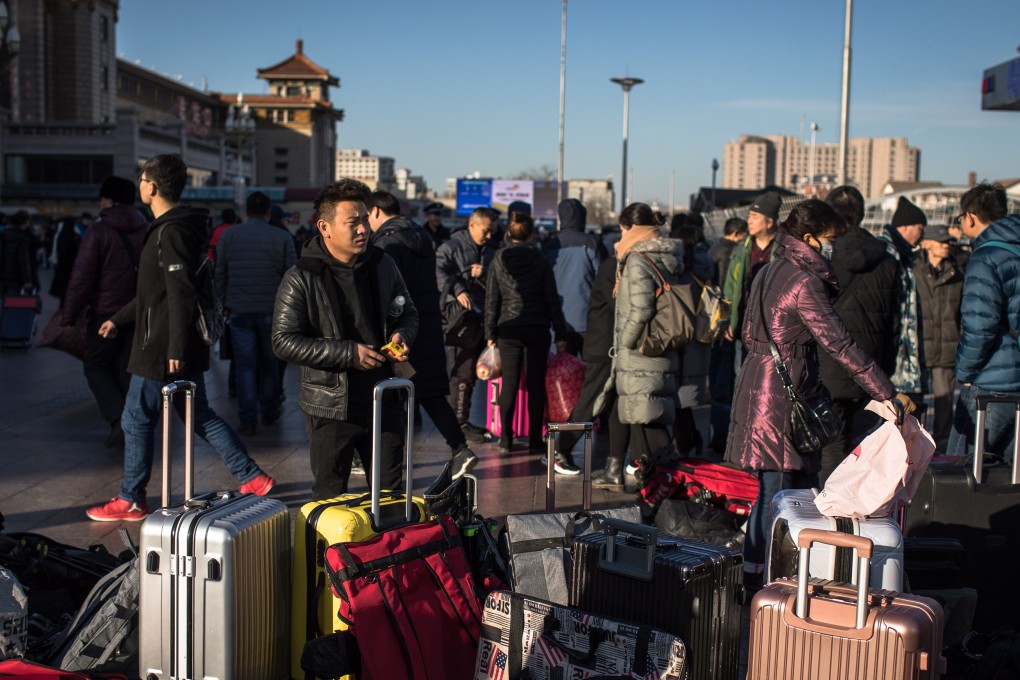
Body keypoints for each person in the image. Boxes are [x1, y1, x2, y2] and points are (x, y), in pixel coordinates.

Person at [86, 154, 274, 522]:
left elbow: (180, 291)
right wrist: (119, 320)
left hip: (160, 346)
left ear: (152, 186)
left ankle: (131, 498)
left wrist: (173, 347)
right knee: (198, 413)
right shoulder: (174, 227)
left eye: (141, 179)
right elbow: (154, 293)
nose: (139, 184)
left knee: (136, 417)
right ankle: (252, 476)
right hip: (171, 341)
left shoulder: (170, 231)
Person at [725, 199, 900, 589]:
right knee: (782, 493)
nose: (833, 247)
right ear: (809, 239)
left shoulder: (769, 269)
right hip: (782, 394)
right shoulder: (805, 282)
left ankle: (756, 573)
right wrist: (884, 390)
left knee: (774, 488)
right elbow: (839, 343)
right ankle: (770, 580)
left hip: (759, 383)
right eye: (828, 239)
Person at [273, 178, 418, 500]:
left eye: (366, 219)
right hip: (331, 406)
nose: (364, 229)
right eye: (353, 222)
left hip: (385, 397)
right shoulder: (301, 276)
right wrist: (347, 354)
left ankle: (390, 549)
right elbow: (283, 340)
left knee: (391, 495)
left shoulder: (383, 264)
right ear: (325, 227)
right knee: (330, 496)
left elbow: (409, 312)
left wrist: (402, 334)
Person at [367, 190, 479, 479]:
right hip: (425, 322)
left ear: (376, 211)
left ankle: (378, 460)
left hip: (400, 330)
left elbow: (388, 291)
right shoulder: (421, 236)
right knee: (428, 391)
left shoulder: (387, 242)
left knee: (389, 393)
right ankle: (459, 447)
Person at [817, 186, 904, 482]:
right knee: (862, 446)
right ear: (863, 214)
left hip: (827, 365)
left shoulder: (824, 259)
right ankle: (854, 511)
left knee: (830, 447)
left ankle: (829, 513)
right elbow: (894, 323)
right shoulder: (888, 261)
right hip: (870, 367)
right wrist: (885, 369)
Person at [595, 204, 684, 484]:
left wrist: (624, 342)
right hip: (661, 345)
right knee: (644, 414)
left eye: (623, 227)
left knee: (648, 420)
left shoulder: (637, 258)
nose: (620, 234)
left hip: (640, 350)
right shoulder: (667, 255)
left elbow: (641, 309)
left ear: (632, 229)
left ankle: (667, 485)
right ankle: (653, 482)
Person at [61, 175, 148, 448]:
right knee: (125, 367)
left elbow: (82, 276)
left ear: (109, 200)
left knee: (95, 365)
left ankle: (117, 419)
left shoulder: (98, 230)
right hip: (136, 311)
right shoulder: (146, 227)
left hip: (104, 312)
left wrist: (69, 315)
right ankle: (130, 423)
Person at [484, 210, 569, 459]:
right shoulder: (540, 261)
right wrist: (560, 332)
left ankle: (506, 439)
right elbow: (552, 299)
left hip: (508, 328)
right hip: (537, 328)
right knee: (535, 385)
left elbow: (492, 300)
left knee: (509, 384)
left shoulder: (498, 260)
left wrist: (490, 332)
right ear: (532, 234)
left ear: (509, 234)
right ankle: (534, 439)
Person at [948, 183, 1020, 459]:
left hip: (991, 382)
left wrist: (965, 371)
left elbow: (980, 325)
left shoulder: (985, 258)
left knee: (963, 466)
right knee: (1009, 474)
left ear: (970, 216)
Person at [216, 191, 297, 436]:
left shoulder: (229, 236)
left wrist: (223, 302)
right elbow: (292, 277)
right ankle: (269, 409)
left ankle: (248, 418)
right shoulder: (282, 237)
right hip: (273, 312)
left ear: (246, 211)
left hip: (239, 311)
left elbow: (220, 273)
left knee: (245, 367)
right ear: (268, 213)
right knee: (271, 364)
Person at [566, 254, 631, 489]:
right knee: (592, 401)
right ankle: (561, 448)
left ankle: (615, 466)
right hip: (604, 347)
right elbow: (618, 305)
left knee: (616, 404)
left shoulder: (620, 264)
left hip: (611, 346)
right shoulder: (613, 265)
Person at [436, 207, 499, 443]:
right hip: (462, 321)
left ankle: (468, 420)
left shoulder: (491, 250)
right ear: (472, 225)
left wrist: (485, 273)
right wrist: (459, 288)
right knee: (462, 372)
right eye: (486, 230)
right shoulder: (451, 246)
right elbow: (438, 270)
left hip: (484, 318)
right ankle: (459, 422)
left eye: (492, 231)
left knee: (477, 371)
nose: (489, 235)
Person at [915, 224, 963, 453]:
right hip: (921, 347)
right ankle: (915, 444)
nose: (946, 246)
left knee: (945, 403)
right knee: (917, 400)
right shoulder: (915, 269)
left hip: (947, 346)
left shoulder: (957, 272)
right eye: (941, 242)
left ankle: (942, 445)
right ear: (928, 243)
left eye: (947, 242)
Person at [879, 196, 928, 418]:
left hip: (904, 359)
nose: (922, 234)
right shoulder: (889, 253)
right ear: (906, 227)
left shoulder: (904, 255)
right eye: (920, 228)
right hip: (894, 358)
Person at [543, 198, 608, 356]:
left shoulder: (550, 246)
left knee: (565, 373)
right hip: (588, 319)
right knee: (589, 371)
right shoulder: (592, 243)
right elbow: (606, 277)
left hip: (559, 321)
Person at [723, 192, 781, 365]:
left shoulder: (783, 249)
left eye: (755, 216)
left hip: (773, 324)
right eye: (749, 216)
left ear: (770, 222)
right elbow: (731, 287)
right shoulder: (742, 250)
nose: (749, 221)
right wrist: (729, 320)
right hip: (745, 321)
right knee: (741, 371)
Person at [706, 216, 748, 455]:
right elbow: (727, 290)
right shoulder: (730, 252)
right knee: (725, 378)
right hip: (724, 322)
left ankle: (718, 434)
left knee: (718, 377)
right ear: (739, 233)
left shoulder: (714, 247)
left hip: (713, 322)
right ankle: (722, 437)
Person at [0, 211, 35, 295]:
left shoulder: (4, 233)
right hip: (15, 277)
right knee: (12, 303)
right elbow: (23, 260)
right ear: (25, 222)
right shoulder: (22, 237)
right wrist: (27, 281)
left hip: (2, 275)